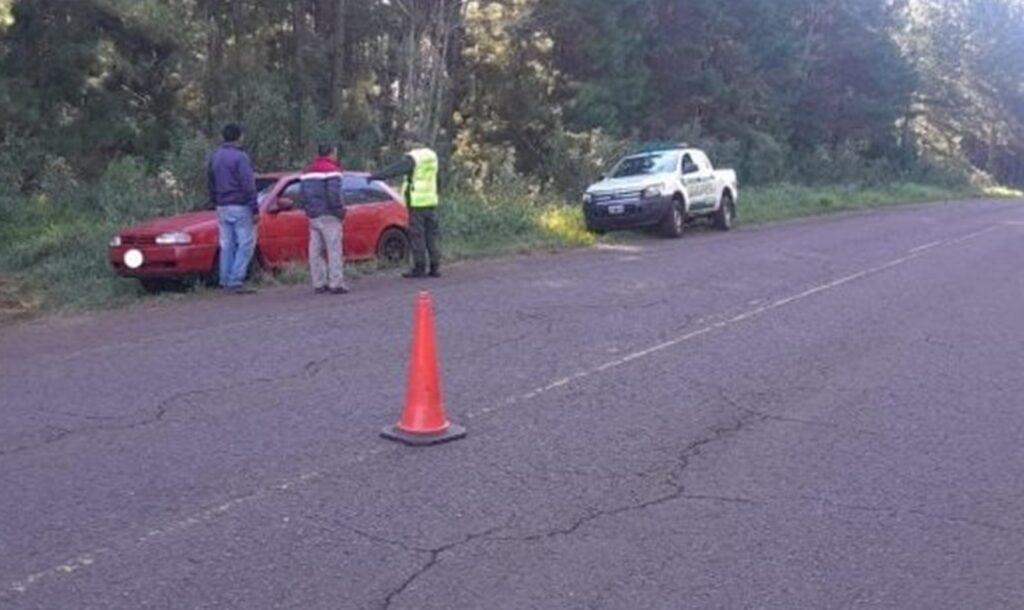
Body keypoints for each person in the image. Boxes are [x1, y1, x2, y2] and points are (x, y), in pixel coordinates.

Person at [369, 136, 442, 278]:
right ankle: (435, 267)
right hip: (431, 201)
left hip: (417, 202)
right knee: (430, 236)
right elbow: (438, 179)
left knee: (417, 236)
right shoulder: (432, 156)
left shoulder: (414, 158)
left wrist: (376, 176)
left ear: (412, 144)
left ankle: (419, 268)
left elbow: (395, 170)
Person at [208, 123, 259, 294]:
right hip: (240, 204)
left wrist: (215, 201)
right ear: (239, 136)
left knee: (226, 244)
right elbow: (248, 183)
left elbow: (210, 181)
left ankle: (224, 279)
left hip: (222, 206)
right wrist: (254, 207)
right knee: (245, 243)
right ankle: (236, 279)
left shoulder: (216, 156)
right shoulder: (240, 157)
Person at [300, 144, 349, 295]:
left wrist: (309, 211)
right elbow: (334, 194)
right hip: (329, 215)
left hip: (314, 215)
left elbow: (302, 195)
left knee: (315, 250)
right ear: (331, 153)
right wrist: (340, 211)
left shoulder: (307, 172)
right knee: (333, 249)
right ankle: (336, 283)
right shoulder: (333, 171)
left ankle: (319, 282)